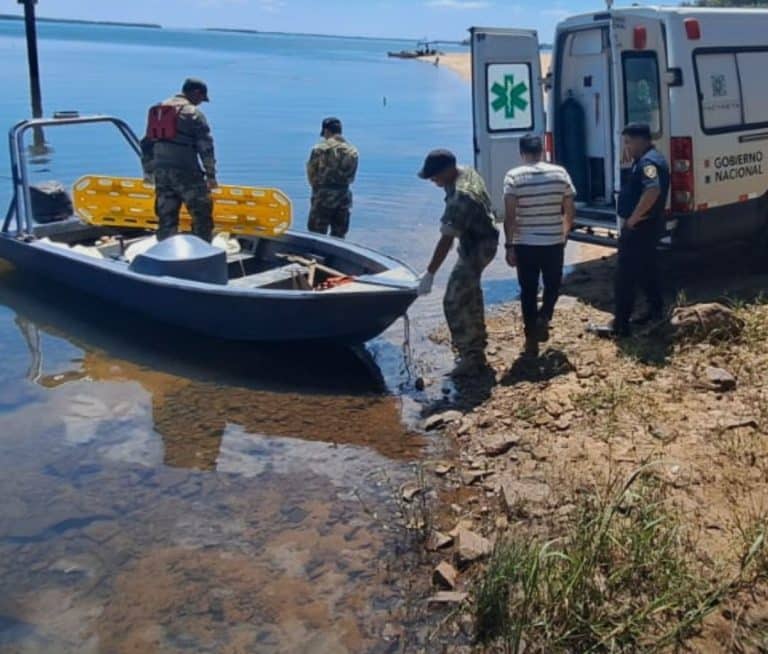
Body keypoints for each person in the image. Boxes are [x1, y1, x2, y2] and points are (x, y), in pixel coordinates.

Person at [417, 149, 499, 377]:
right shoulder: (467, 171)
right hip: (483, 240)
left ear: (448, 170)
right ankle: (477, 349)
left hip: (478, 248)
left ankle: (470, 356)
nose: (433, 182)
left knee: (453, 300)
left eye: (435, 177)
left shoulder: (462, 196)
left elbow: (446, 240)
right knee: (470, 294)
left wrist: (430, 273)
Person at [590, 123, 670, 337]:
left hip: (640, 228)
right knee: (647, 272)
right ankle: (655, 311)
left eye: (629, 142)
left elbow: (652, 190)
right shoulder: (649, 159)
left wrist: (633, 220)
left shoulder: (648, 163)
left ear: (641, 140)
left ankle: (620, 326)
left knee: (625, 278)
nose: (627, 147)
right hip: (648, 227)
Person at [504, 134, 575, 356]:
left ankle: (531, 337)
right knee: (553, 285)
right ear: (542, 151)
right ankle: (544, 316)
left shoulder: (514, 177)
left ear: (521, 153)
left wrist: (508, 245)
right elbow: (570, 208)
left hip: (525, 243)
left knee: (528, 290)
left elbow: (510, 215)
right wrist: (564, 233)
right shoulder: (560, 173)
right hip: (553, 241)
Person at [141, 78, 217, 242]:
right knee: (202, 217)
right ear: (196, 93)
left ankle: (165, 253)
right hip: (187, 173)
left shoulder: (159, 109)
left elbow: (146, 144)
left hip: (162, 174)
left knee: (166, 219)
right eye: (201, 99)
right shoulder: (193, 113)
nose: (200, 103)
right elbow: (206, 148)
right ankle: (202, 253)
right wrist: (211, 176)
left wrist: (148, 172)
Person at [306, 117, 359, 239]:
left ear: (326, 131)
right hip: (344, 196)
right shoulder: (353, 151)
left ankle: (316, 256)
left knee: (316, 234)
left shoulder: (319, 149)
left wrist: (318, 189)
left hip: (322, 195)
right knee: (339, 234)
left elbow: (311, 174)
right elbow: (351, 177)